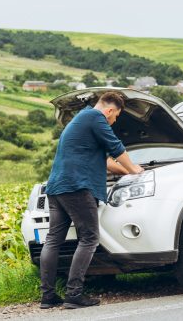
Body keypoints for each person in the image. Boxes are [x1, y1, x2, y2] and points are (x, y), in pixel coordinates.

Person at [39, 91, 144, 309]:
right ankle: (74, 294)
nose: (114, 122)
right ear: (110, 110)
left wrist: (127, 171)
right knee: (89, 238)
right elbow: (116, 148)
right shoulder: (96, 118)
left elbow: (106, 162)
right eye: (116, 117)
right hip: (77, 187)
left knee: (53, 240)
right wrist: (134, 169)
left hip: (57, 187)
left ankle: (47, 296)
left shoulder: (82, 119)